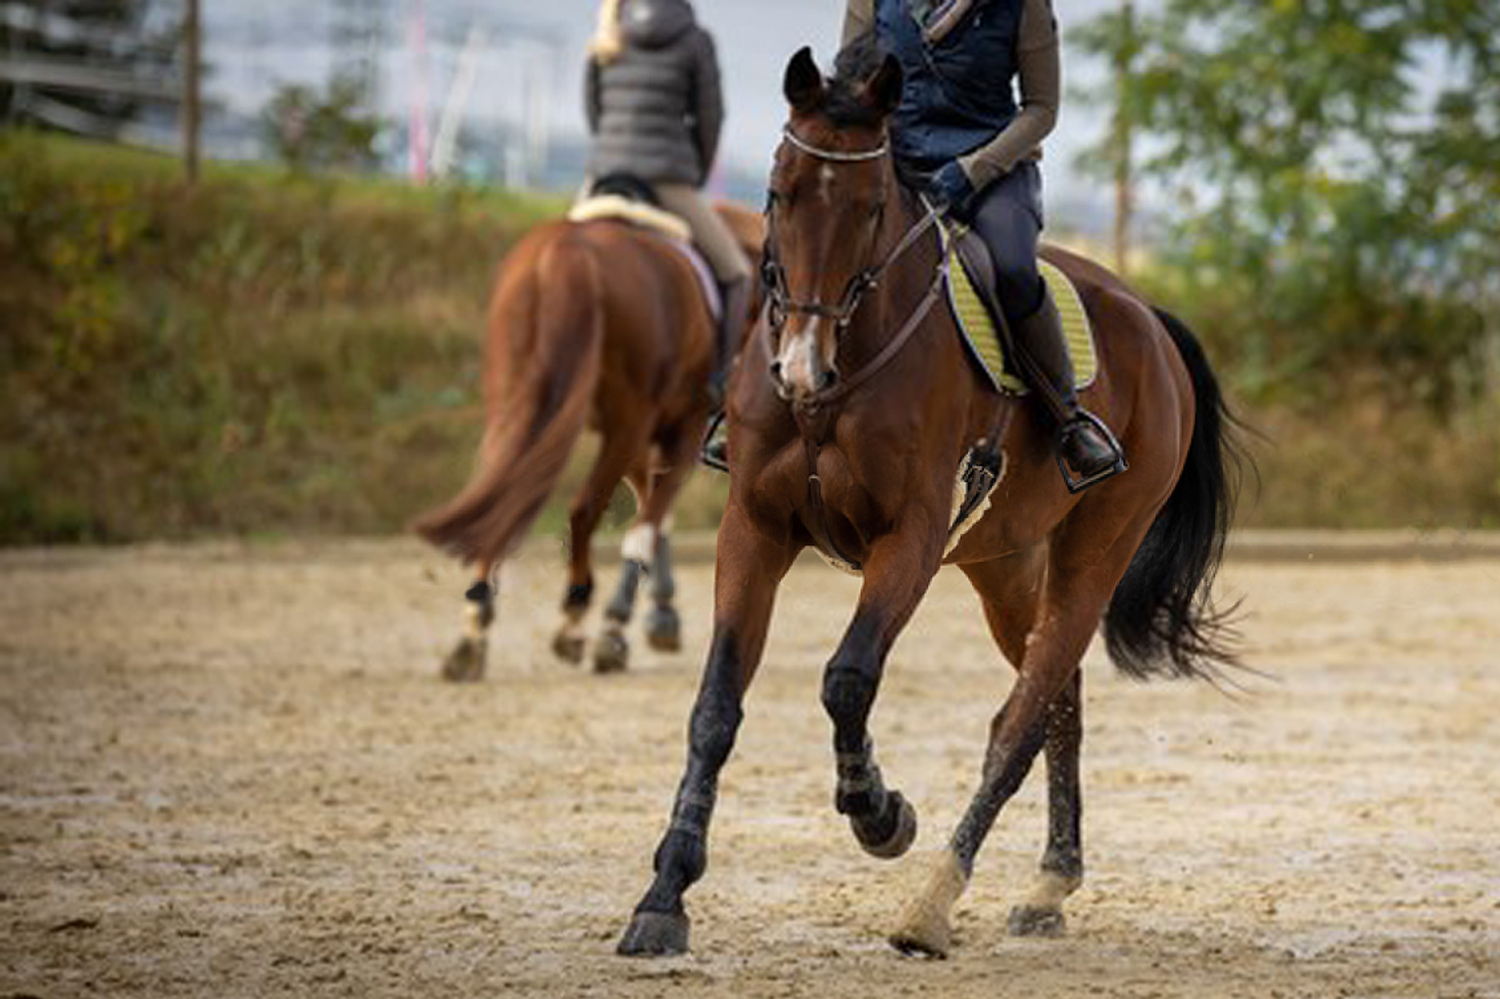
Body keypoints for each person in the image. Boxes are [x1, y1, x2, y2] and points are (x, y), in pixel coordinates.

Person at [842, 0, 1123, 486]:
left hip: (994, 174)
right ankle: (756, 408)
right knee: (814, 247)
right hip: (894, 169)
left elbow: (1042, 110)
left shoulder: (1025, 5)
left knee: (1012, 270)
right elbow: (852, 87)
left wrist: (973, 170)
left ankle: (1069, 419)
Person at [584, 0, 752, 408]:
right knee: (737, 274)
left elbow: (594, 111)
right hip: (666, 179)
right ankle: (718, 381)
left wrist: (612, 155)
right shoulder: (695, 40)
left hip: (603, 177)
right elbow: (710, 116)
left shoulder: (608, 31)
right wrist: (694, 171)